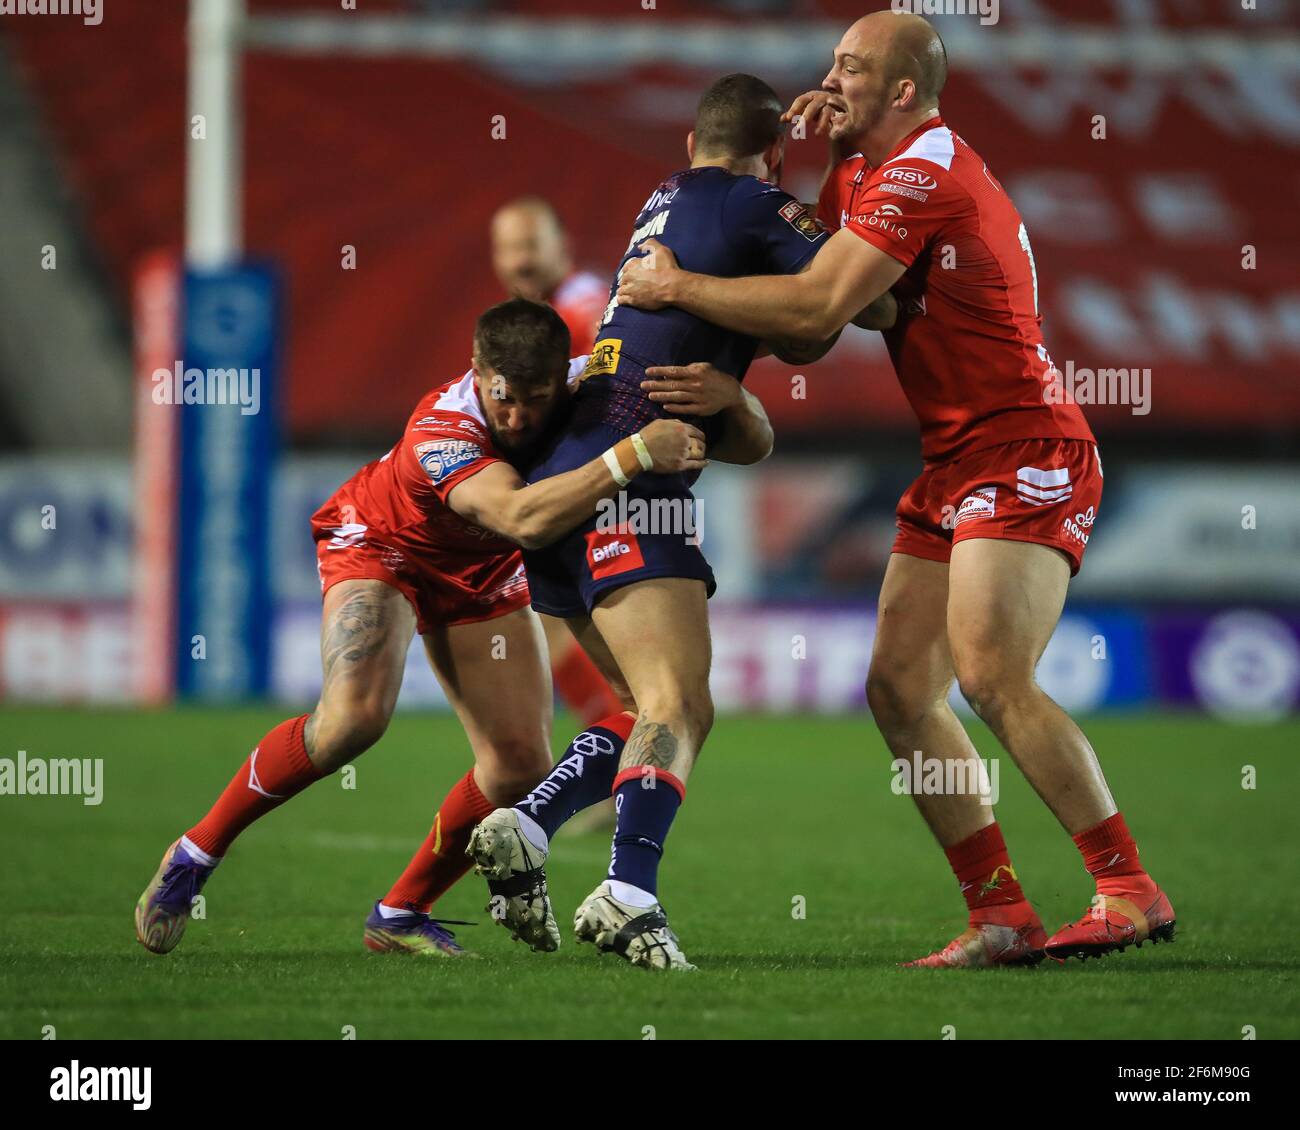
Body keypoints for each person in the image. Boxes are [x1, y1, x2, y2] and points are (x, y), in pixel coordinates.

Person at [615, 11, 1174, 967]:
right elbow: (813, 334)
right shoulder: (862, 173)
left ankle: (1129, 889)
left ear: (903, 91)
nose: (827, 81)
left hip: (1024, 444)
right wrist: (798, 200)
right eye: (830, 61)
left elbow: (821, 304)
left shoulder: (925, 168)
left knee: (992, 673)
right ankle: (1001, 913)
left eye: (850, 67)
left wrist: (680, 290)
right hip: (953, 458)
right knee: (899, 690)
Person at [467, 73, 891, 971]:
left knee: (635, 707)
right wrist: (849, 162)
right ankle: (629, 893)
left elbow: (802, 341)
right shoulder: (749, 202)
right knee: (677, 705)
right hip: (633, 474)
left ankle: (532, 824)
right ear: (774, 152)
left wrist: (732, 383)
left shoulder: (663, 205)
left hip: (563, 479)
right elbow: (862, 299)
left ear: (691, 142)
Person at [134, 299, 705, 959]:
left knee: (520, 763)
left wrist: (727, 398)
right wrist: (632, 454)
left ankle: (400, 913)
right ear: (476, 370)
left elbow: (736, 420)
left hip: (483, 570)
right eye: (503, 398)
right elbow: (522, 518)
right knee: (352, 721)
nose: (517, 416)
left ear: (564, 378)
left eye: (535, 399)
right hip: (383, 548)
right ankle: (196, 852)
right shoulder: (445, 429)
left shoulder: (588, 384)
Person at [491, 196, 627, 735]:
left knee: (568, 628)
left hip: (594, 486)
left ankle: (621, 749)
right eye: (507, 249)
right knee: (554, 626)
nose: (518, 261)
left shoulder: (583, 304)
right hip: (572, 485)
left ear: (561, 248)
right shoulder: (541, 314)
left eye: (529, 246)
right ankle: (616, 752)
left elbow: (613, 381)